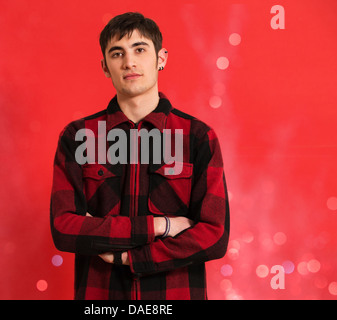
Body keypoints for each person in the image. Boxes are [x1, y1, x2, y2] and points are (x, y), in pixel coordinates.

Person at [50, 12, 229, 300]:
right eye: (117, 53)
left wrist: (129, 258)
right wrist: (162, 225)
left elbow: (214, 236)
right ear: (105, 67)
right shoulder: (78, 136)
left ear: (162, 58)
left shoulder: (197, 136)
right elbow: (64, 228)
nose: (129, 62)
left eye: (140, 49)